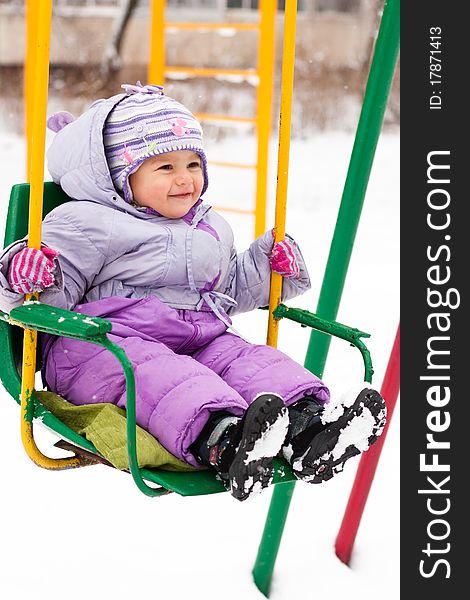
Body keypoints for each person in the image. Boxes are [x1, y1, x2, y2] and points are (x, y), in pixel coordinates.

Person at [0, 83, 386, 501]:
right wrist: (25, 276)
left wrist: (266, 270)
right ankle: (227, 441)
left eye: (192, 164)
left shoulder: (206, 226)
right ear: (118, 178)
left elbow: (227, 294)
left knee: (247, 359)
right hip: (101, 347)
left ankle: (308, 428)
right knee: (163, 375)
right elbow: (44, 304)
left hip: (197, 337)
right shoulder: (84, 222)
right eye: (164, 168)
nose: (184, 179)